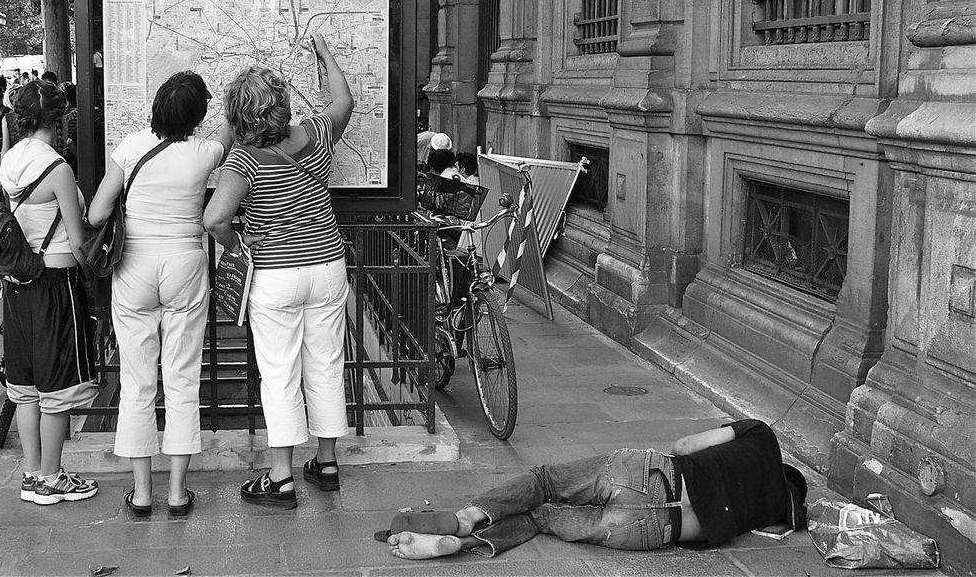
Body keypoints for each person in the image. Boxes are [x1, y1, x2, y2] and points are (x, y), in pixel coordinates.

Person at [203, 31, 353, 508]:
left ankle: (281, 478)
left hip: (276, 274)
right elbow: (344, 99)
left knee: (280, 372)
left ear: (240, 115)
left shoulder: (244, 160)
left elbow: (214, 219)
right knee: (327, 365)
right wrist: (325, 52)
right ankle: (326, 463)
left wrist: (238, 240)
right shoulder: (317, 135)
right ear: (282, 105)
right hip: (328, 265)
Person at [88, 72, 232, 518]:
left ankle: (142, 494)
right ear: (197, 115)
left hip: (134, 267)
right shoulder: (205, 152)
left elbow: (96, 213)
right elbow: (228, 129)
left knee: (136, 381)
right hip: (185, 265)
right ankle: (177, 493)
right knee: (182, 379)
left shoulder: (130, 148)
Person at [383, 419, 808, 560]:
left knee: (546, 482)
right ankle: (469, 545)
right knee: (541, 518)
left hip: (653, 474)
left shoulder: (762, 436)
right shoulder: (774, 513)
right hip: (651, 531)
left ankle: (466, 517)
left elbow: (684, 447)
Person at [0, 80, 99, 505]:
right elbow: (78, 240)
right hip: (56, 283)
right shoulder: (58, 168)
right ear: (58, 121)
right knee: (57, 387)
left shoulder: (9, 161)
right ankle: (53, 477)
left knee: (25, 385)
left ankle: (33, 473)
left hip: (17, 284)